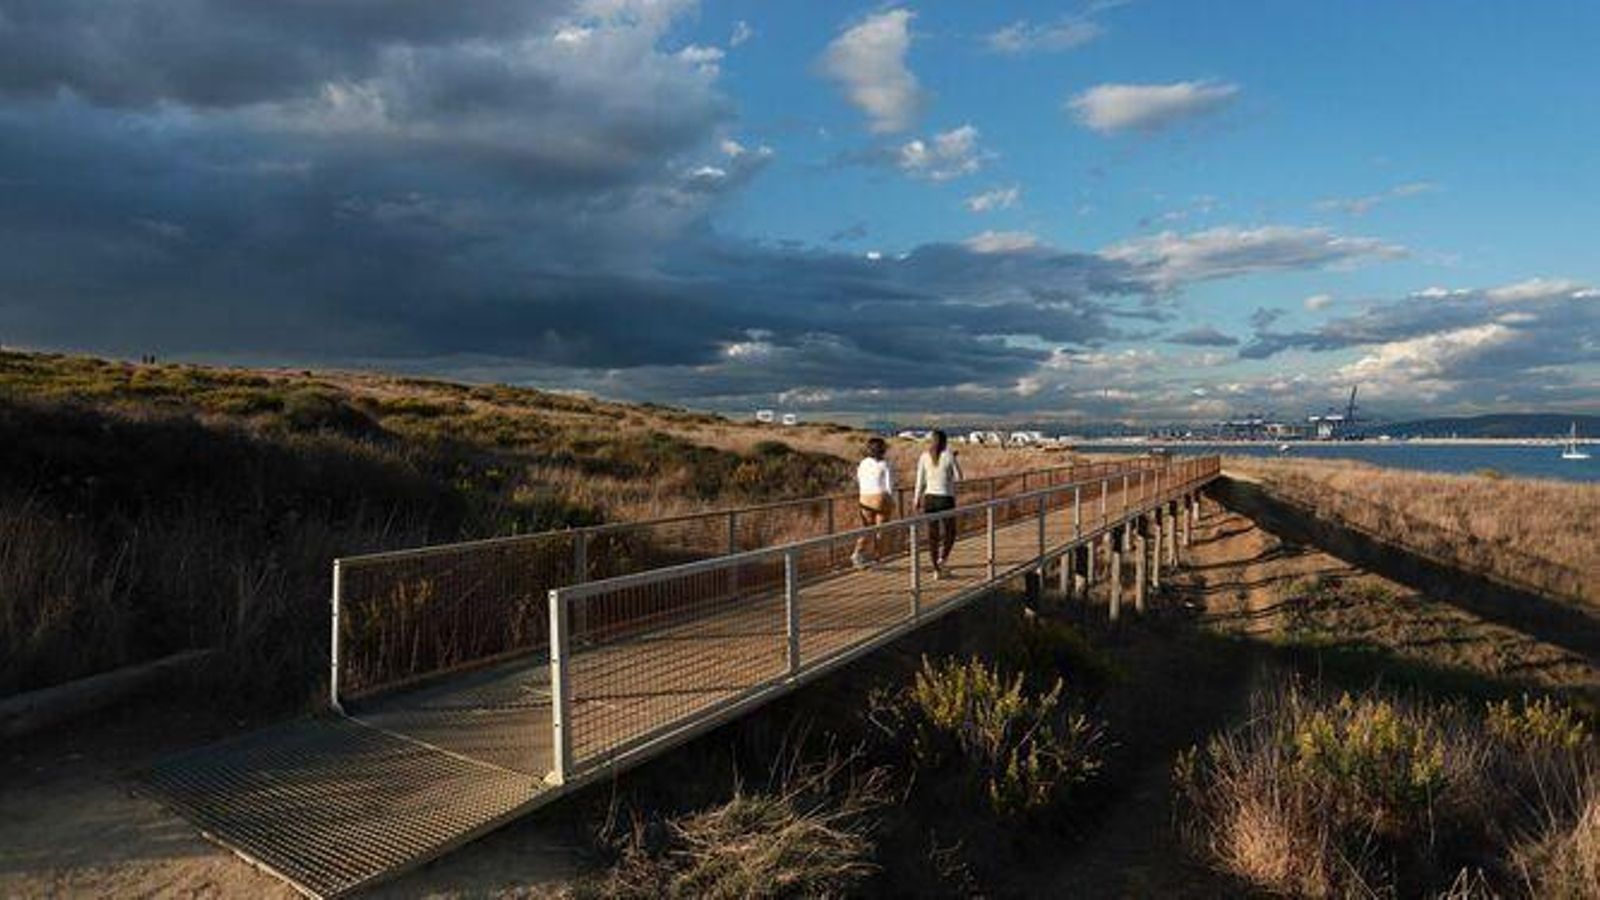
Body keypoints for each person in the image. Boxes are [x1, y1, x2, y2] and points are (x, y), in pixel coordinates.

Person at [913, 429, 962, 578]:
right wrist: (953, 462)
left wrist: (916, 499)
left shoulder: (924, 456)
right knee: (950, 532)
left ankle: (936, 569)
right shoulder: (948, 455)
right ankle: (943, 559)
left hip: (929, 499)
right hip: (945, 498)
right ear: (945, 441)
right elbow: (959, 477)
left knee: (932, 535)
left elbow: (920, 480)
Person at [852, 437, 894, 568]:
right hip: (880, 498)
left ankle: (857, 553)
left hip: (864, 498)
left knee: (867, 528)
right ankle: (877, 559)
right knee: (880, 530)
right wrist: (892, 501)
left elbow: (859, 479)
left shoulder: (863, 463)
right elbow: (889, 486)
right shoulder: (885, 464)